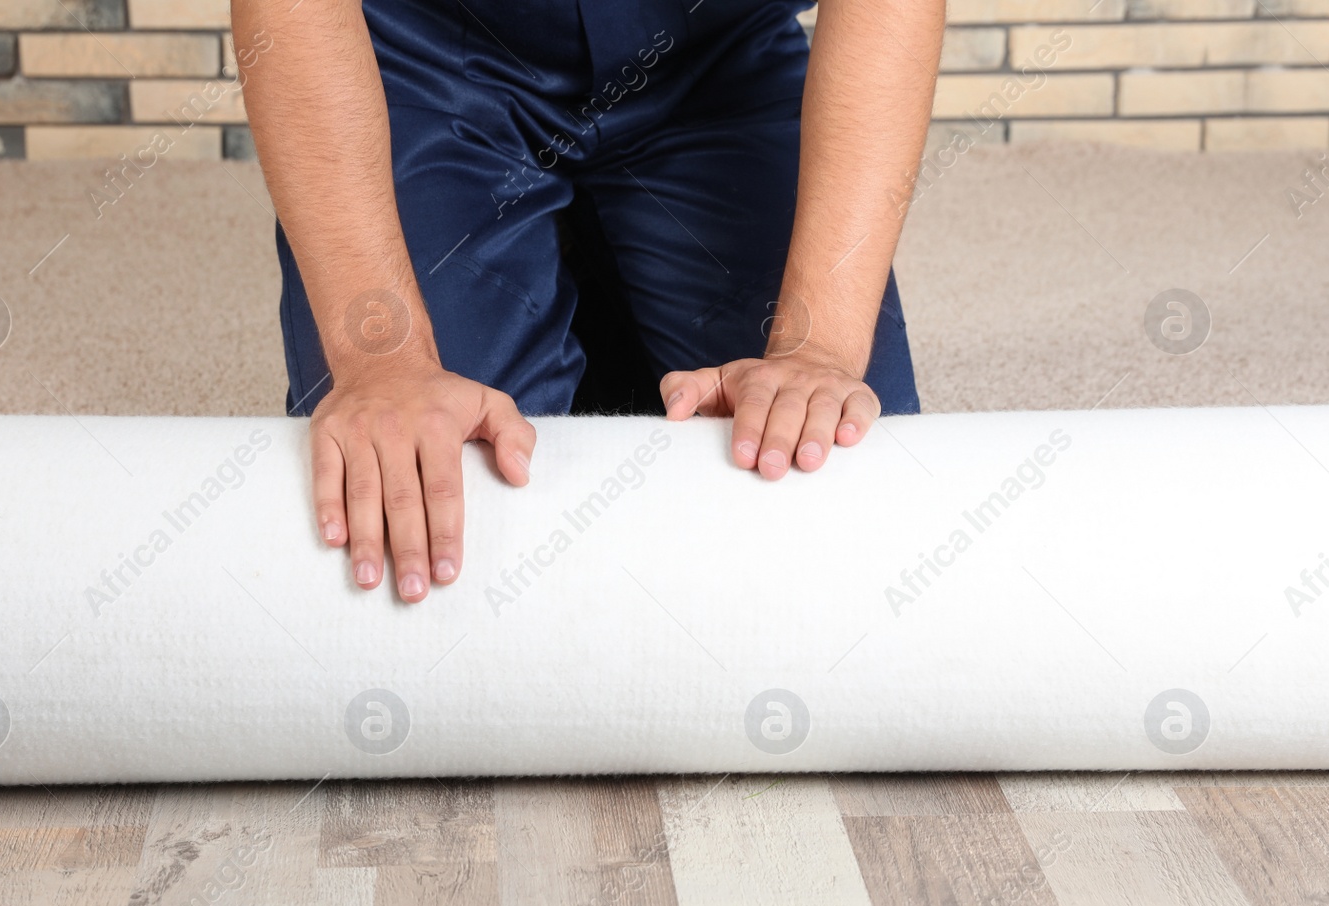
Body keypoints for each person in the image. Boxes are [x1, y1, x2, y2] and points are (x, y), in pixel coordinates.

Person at [234, 0, 942, 602]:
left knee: (843, 509)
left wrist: (818, 349)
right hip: (431, 54)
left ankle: (601, 310)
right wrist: (380, 360)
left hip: (716, 60)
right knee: (438, 511)